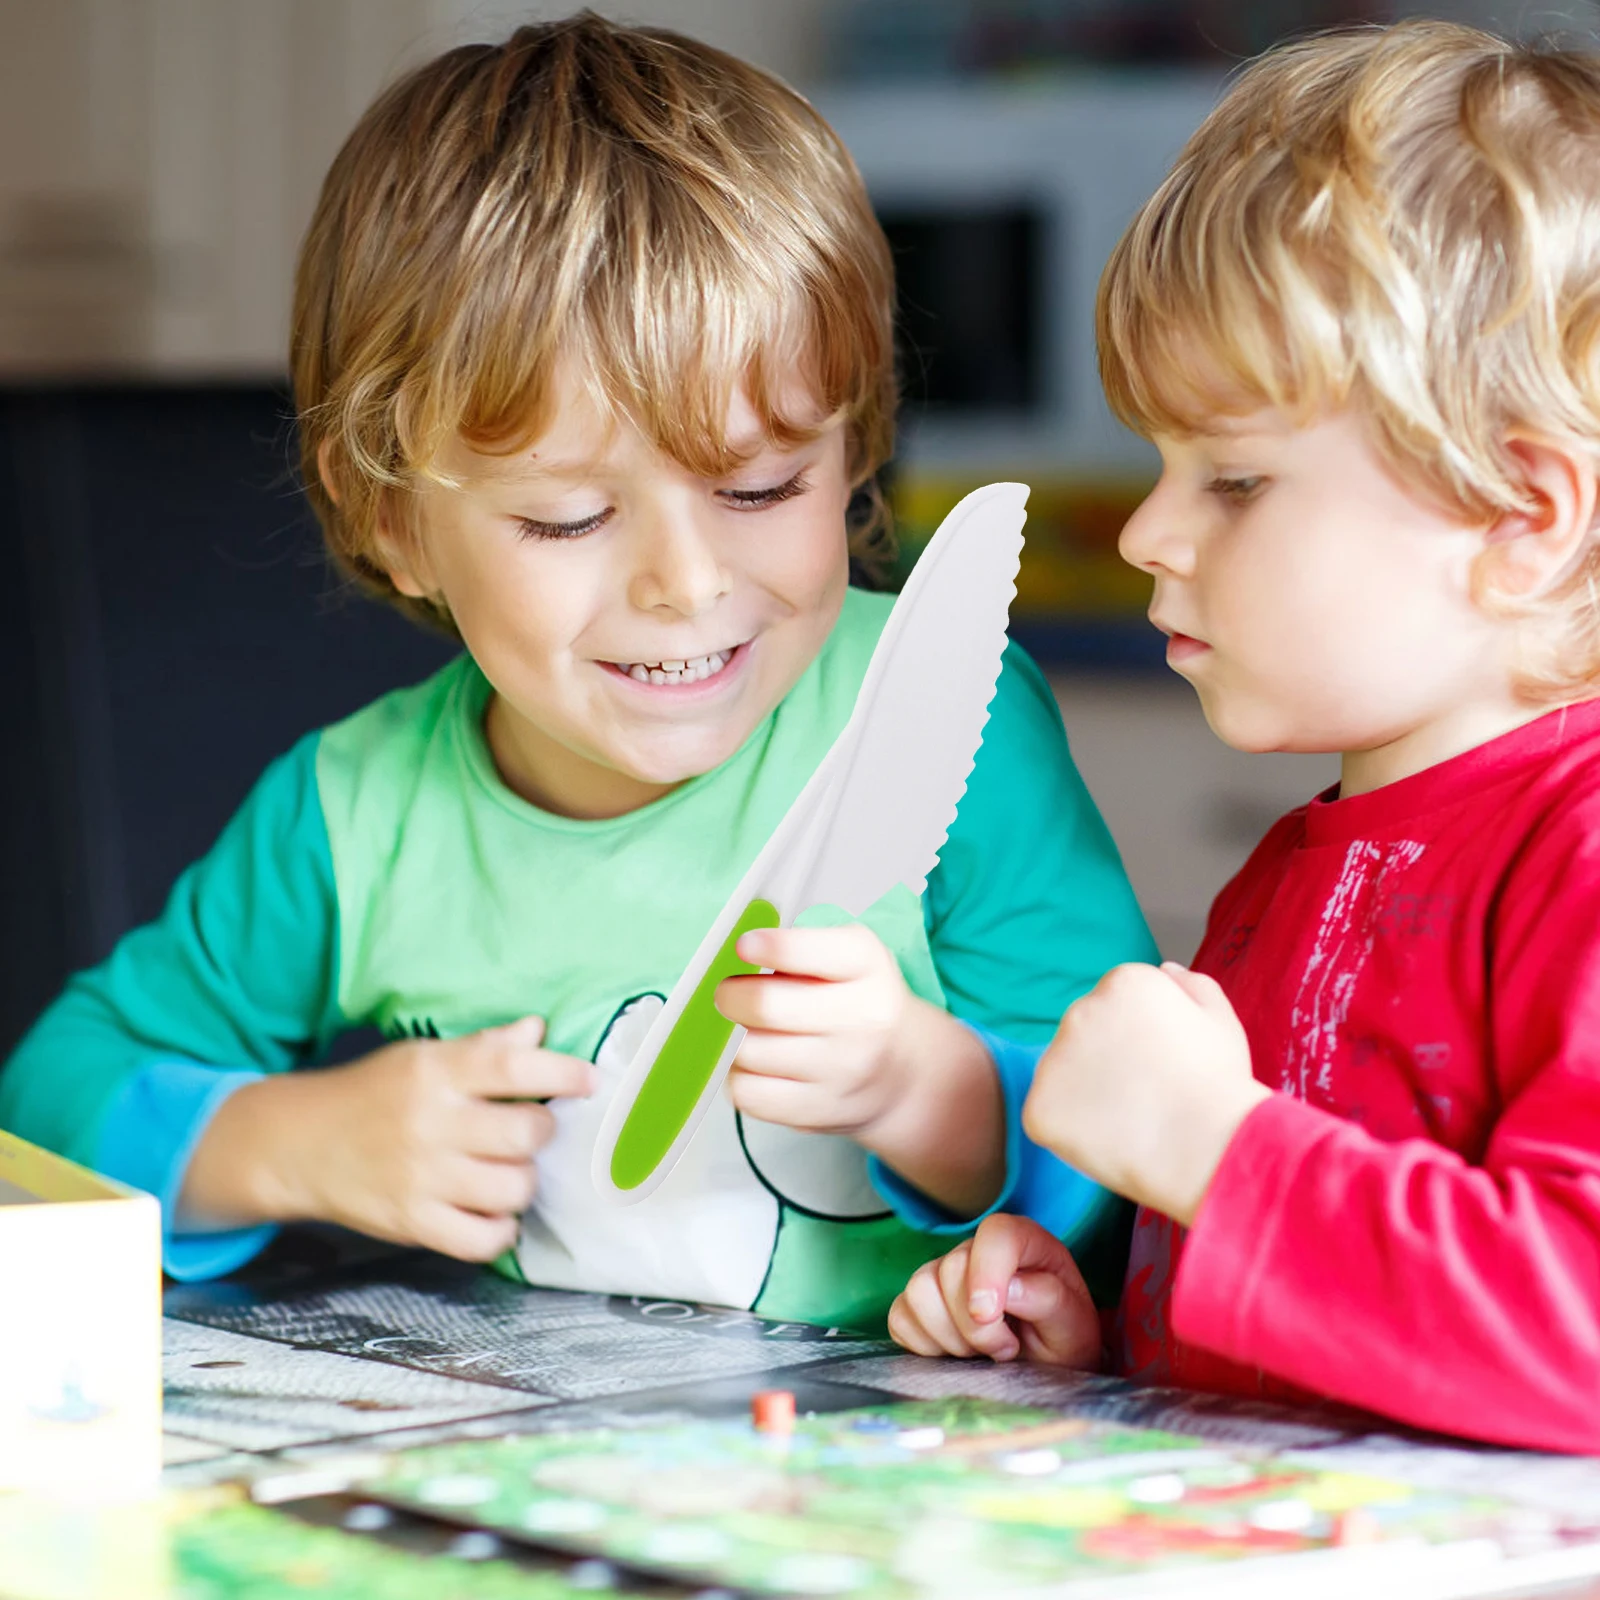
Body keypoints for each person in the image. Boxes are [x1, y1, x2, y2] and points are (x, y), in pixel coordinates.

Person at [0, 14, 1153, 1333]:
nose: (686, 582)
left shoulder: (951, 719)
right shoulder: (353, 819)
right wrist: (296, 1139)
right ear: (391, 518)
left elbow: (1138, 1142)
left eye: (760, 485)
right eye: (566, 517)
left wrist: (930, 1095)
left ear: (854, 452)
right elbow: (51, 1100)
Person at [889, 18, 1600, 1450]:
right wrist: (1104, 1337)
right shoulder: (1296, 867)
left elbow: (1575, 1333)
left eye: (1235, 480)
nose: (1151, 530)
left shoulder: (1577, 856)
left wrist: (1215, 1151)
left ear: (1521, 520)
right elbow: (1331, 1329)